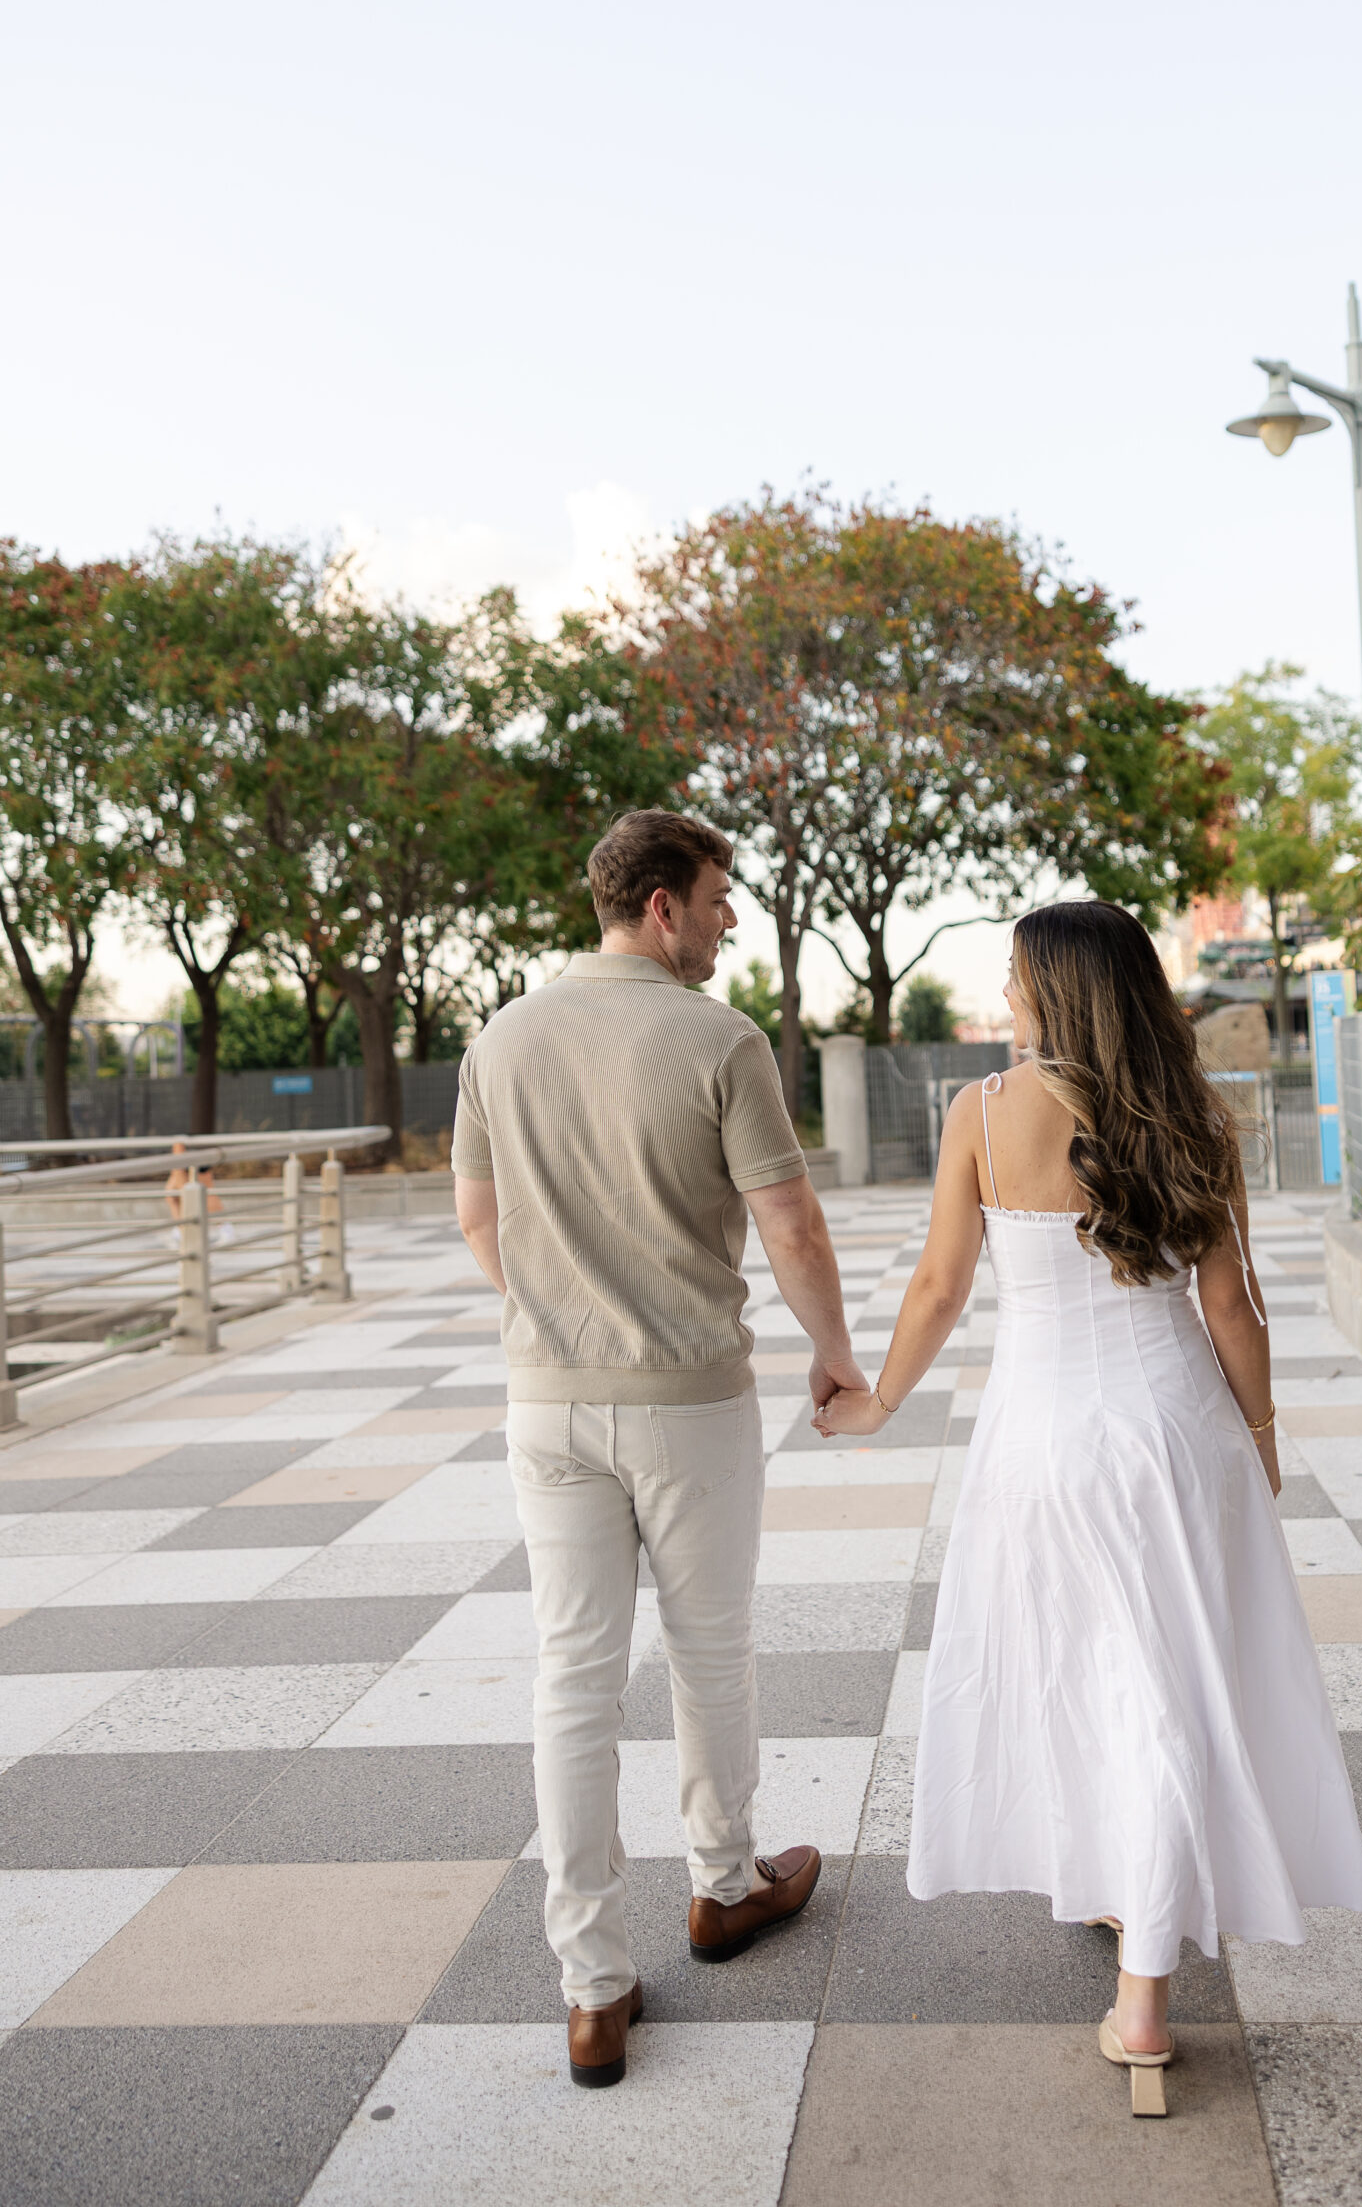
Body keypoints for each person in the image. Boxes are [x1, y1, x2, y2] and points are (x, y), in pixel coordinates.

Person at [814, 900, 1362, 2117]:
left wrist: (875, 1402)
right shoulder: (1196, 1119)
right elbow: (1233, 1308)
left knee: (1090, 1672)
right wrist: (1264, 1440)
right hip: (1178, 1436)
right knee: (1165, 1680)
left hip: (1040, 1446)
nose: (1006, 994)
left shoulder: (982, 1115)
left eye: (1016, 977)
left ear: (1058, 993)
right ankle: (1141, 1900)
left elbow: (938, 1283)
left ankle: (1145, 1999)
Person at [452, 809, 867, 2088]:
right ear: (659, 907)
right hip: (689, 1399)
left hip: (547, 1400)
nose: (731, 918)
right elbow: (790, 1223)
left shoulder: (501, 1036)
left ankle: (592, 1985)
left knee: (571, 1677)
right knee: (708, 1649)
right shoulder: (717, 1038)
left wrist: (550, 1318)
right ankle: (723, 1886)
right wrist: (838, 1352)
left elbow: (481, 1218)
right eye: (718, 897)